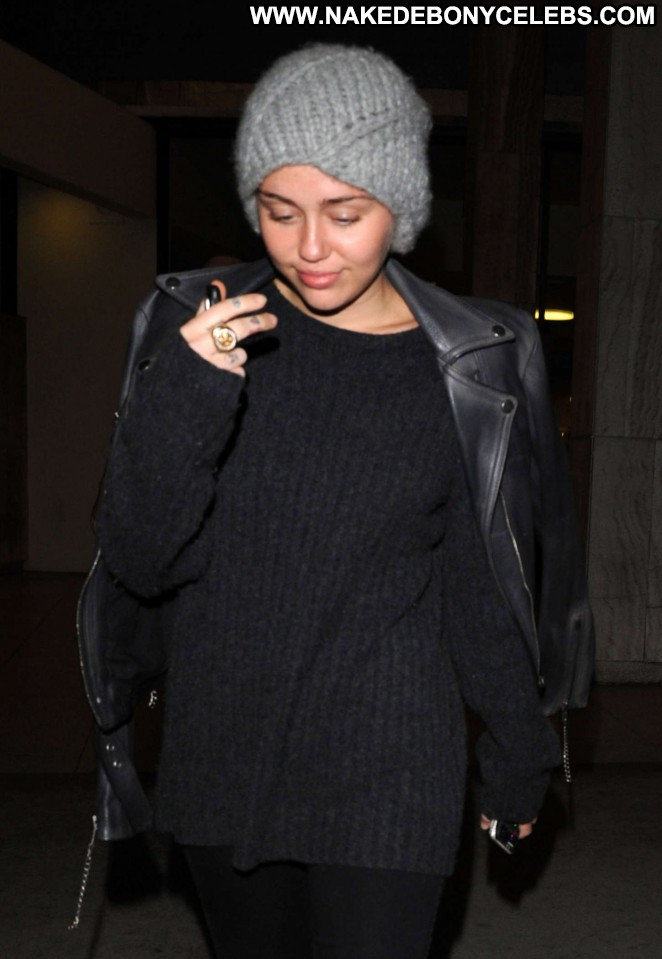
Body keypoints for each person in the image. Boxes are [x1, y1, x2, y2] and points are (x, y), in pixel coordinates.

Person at [90, 43, 593, 959]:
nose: (310, 247)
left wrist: (520, 751)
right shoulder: (197, 334)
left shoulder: (462, 365)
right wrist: (191, 395)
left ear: (402, 205)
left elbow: (478, 583)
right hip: (224, 746)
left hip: (392, 756)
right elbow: (143, 559)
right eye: (279, 211)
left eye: (345, 213)